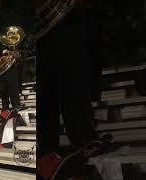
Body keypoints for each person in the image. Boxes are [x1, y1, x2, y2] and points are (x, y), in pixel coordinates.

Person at [35, 1, 113, 179]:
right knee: (45, 92)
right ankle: (48, 149)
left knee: (72, 78)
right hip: (40, 32)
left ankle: (84, 138)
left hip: (66, 18)